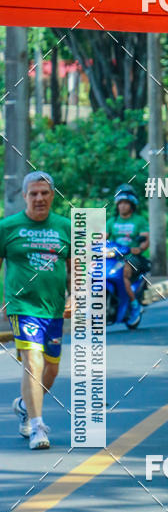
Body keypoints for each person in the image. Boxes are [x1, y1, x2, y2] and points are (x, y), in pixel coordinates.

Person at [0, 171, 71, 450]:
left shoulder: (65, 227)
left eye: (44, 193)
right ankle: (37, 427)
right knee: (33, 361)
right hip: (22, 306)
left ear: (52, 195)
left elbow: (77, 265)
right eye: (33, 193)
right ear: (24, 196)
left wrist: (75, 295)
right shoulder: (8, 227)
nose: (39, 198)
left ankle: (24, 404)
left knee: (51, 370)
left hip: (54, 309)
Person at [106, 184, 150, 327]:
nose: (122, 206)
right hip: (113, 255)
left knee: (123, 272)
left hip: (131, 256)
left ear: (132, 205)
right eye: (120, 203)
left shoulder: (139, 220)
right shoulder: (112, 221)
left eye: (126, 203)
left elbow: (145, 239)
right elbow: (102, 238)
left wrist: (139, 248)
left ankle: (134, 304)